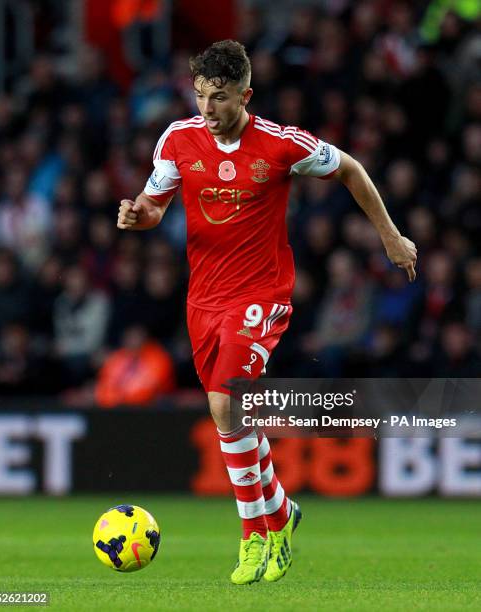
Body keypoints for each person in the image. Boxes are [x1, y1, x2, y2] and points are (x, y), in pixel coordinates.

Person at [117, 40, 417, 585]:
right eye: (202, 96)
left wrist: (391, 237)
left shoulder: (281, 144)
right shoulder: (178, 139)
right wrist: (138, 215)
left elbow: (350, 169)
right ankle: (281, 510)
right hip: (202, 298)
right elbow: (155, 205)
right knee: (228, 415)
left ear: (246, 95)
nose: (209, 109)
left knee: (227, 403)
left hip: (261, 293)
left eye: (221, 98)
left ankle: (258, 536)